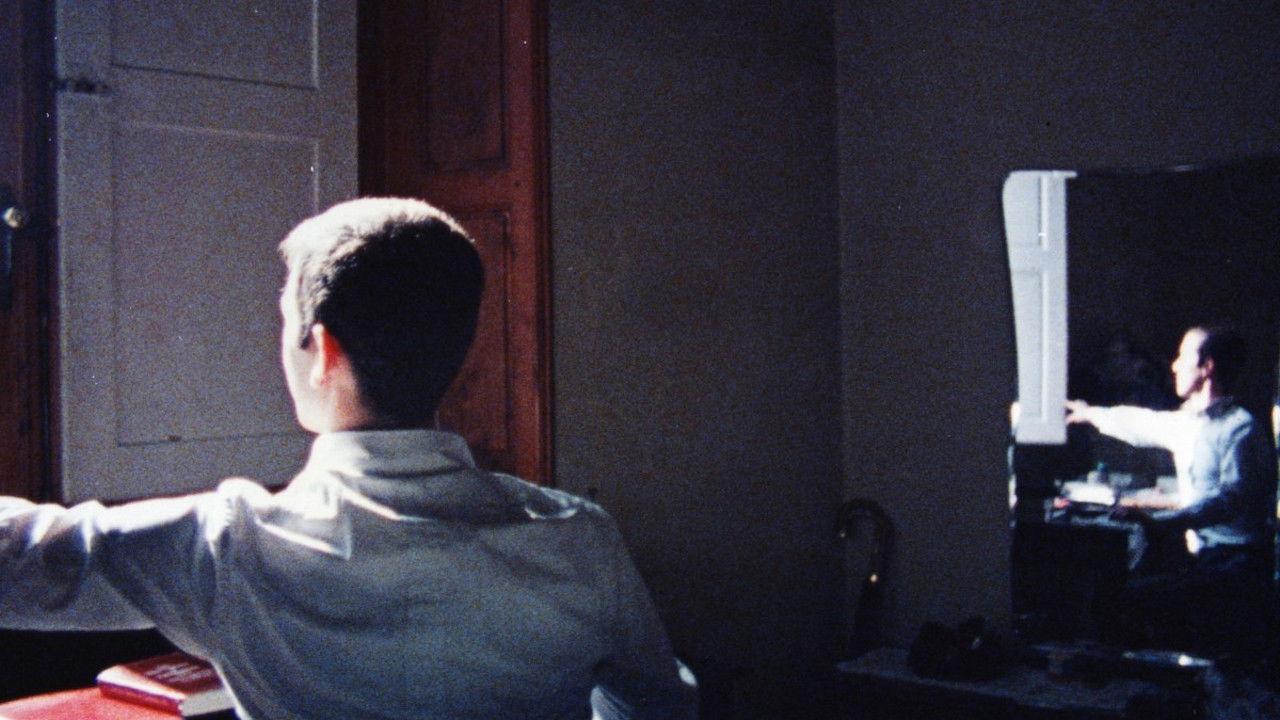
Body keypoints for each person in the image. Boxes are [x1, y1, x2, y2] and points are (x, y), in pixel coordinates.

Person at [0, 198, 697, 719]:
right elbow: (655, 705)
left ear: (323, 350)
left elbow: (18, 559)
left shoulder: (225, 547)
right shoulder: (580, 538)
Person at [1066, 326, 1277, 654]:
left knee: (1128, 600)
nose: (1174, 365)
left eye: (1183, 356)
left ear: (1207, 367)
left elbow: (1228, 501)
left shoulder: (1241, 429)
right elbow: (1144, 424)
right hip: (1208, 560)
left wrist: (1162, 522)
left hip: (1237, 565)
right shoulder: (1190, 423)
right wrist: (1089, 413)